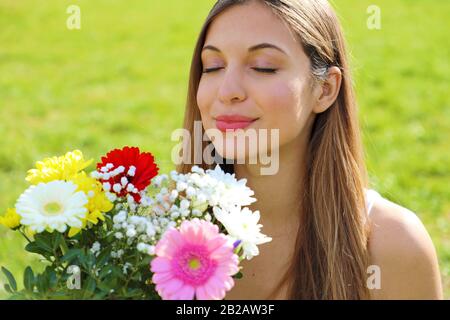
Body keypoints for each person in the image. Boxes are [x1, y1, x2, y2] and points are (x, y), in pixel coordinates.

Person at [176, 0, 443, 299]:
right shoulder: (160, 237)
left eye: (263, 67)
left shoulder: (393, 245)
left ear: (325, 89)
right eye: (213, 67)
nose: (227, 91)